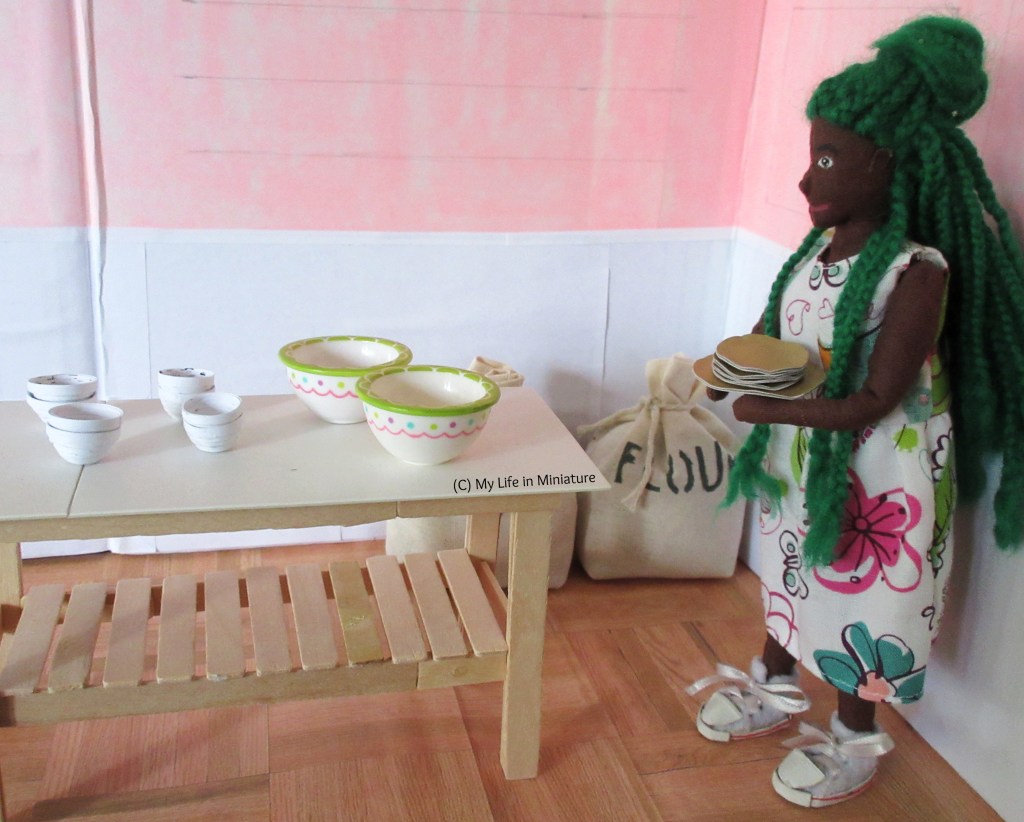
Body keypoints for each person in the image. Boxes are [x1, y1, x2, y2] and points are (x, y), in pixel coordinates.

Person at [688, 15, 1024, 808]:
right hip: (805, 460)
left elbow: (876, 399)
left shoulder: (917, 271)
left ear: (889, 163)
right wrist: (730, 376)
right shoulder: (817, 251)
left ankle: (853, 731)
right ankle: (776, 680)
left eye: (830, 159)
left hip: (882, 478)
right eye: (814, 156)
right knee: (793, 570)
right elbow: (779, 337)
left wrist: (767, 411)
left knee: (860, 601)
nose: (809, 180)